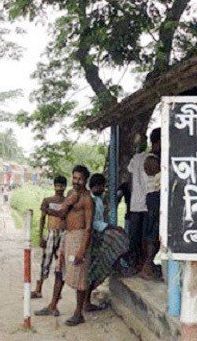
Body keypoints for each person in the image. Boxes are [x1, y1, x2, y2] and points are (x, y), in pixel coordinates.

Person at [35, 165, 94, 326]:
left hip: (79, 237)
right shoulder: (71, 195)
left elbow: (88, 227)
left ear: (86, 180)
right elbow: (62, 213)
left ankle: (78, 313)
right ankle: (53, 305)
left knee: (80, 275)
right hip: (66, 236)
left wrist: (82, 249)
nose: (77, 181)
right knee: (59, 270)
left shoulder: (87, 199)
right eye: (74, 178)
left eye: (80, 179)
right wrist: (51, 209)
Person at [84, 173, 129, 312]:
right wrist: (110, 227)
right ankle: (86, 302)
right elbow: (93, 222)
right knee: (93, 268)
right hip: (94, 235)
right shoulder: (90, 200)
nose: (103, 189)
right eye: (102, 186)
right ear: (96, 186)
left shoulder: (98, 199)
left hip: (98, 233)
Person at [127, 129, 162, 279]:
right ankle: (147, 266)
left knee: (141, 236)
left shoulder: (138, 157)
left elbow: (130, 178)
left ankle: (139, 265)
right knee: (151, 235)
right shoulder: (153, 159)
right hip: (151, 200)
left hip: (139, 202)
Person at [31, 175, 67, 299]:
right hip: (51, 233)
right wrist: (41, 236)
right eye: (57, 185)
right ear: (54, 186)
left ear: (65, 187)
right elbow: (42, 218)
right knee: (45, 262)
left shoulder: (67, 201)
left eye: (61, 186)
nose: (59, 188)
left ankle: (57, 292)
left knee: (60, 264)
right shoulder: (48, 200)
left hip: (63, 234)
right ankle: (38, 288)